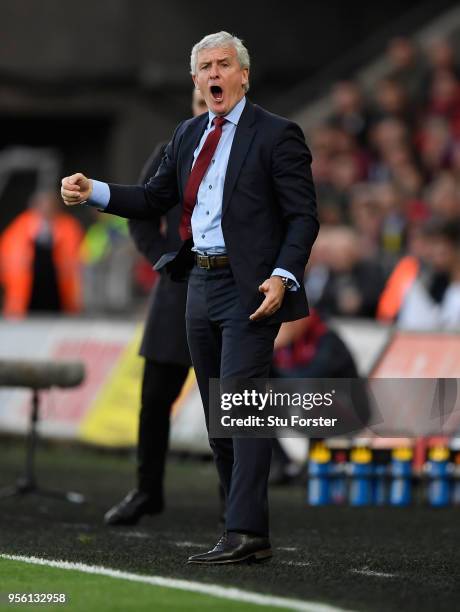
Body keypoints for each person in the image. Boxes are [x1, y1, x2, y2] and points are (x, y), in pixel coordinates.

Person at [61, 31, 318, 565]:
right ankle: (237, 525)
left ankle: (248, 530)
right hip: (197, 285)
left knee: (242, 408)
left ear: (243, 75)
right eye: (205, 67)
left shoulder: (277, 134)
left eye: (225, 65)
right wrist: (96, 193)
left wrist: (283, 274)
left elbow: (302, 216)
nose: (215, 74)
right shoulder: (187, 134)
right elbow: (154, 198)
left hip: (250, 287)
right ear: (196, 80)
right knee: (217, 415)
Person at [104, 89, 207, 527]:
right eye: (200, 103)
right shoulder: (171, 152)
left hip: (229, 292)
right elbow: (142, 210)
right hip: (177, 291)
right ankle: (147, 490)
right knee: (154, 400)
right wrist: (162, 260)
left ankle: (236, 500)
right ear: (191, 106)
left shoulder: (254, 152)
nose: (206, 112)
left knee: (234, 402)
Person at [0, 190, 83, 317]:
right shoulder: (18, 229)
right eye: (43, 205)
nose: (46, 209)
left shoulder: (69, 228)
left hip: (61, 299)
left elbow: (81, 261)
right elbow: (5, 262)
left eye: (50, 206)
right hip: (23, 300)